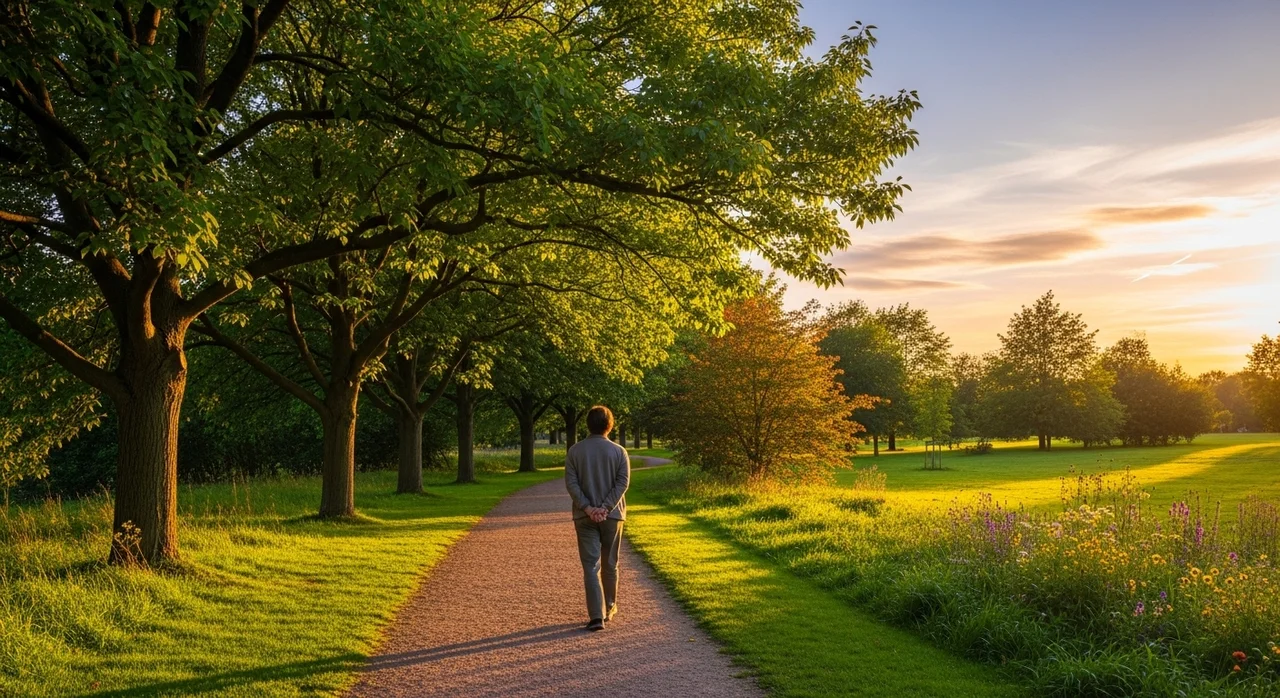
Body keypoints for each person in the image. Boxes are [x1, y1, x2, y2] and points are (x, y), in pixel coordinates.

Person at [564, 405, 631, 632]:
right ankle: (610, 606)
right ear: (609, 425)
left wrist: (588, 508)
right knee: (610, 564)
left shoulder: (574, 451)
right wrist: (605, 508)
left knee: (591, 566)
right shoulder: (619, 451)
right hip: (613, 516)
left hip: (583, 516)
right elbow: (622, 483)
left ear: (588, 425)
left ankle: (596, 616)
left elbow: (571, 484)